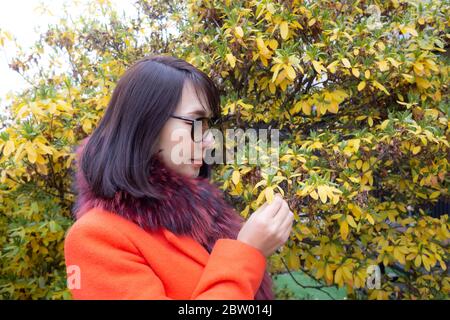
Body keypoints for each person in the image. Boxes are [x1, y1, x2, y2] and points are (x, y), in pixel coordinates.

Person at [64, 55, 294, 299]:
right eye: (195, 122)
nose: (208, 140)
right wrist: (247, 251)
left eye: (207, 125)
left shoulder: (199, 220)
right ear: (146, 124)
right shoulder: (95, 237)